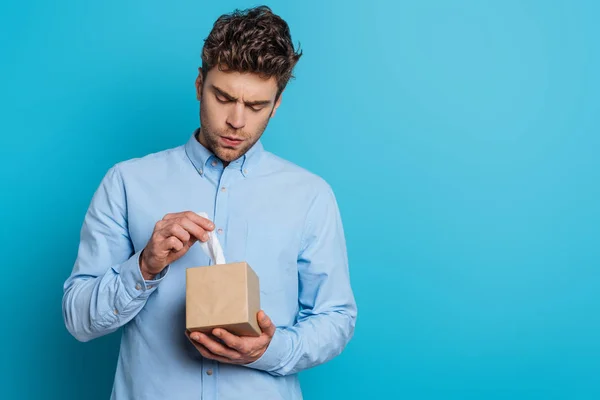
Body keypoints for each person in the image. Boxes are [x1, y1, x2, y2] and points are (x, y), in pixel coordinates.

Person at [62, 5, 357, 400]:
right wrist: (145, 266)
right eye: (223, 97)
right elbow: (79, 319)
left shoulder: (310, 195)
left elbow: (335, 318)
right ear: (200, 84)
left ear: (278, 103)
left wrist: (269, 350)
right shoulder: (128, 183)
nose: (237, 121)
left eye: (256, 106)